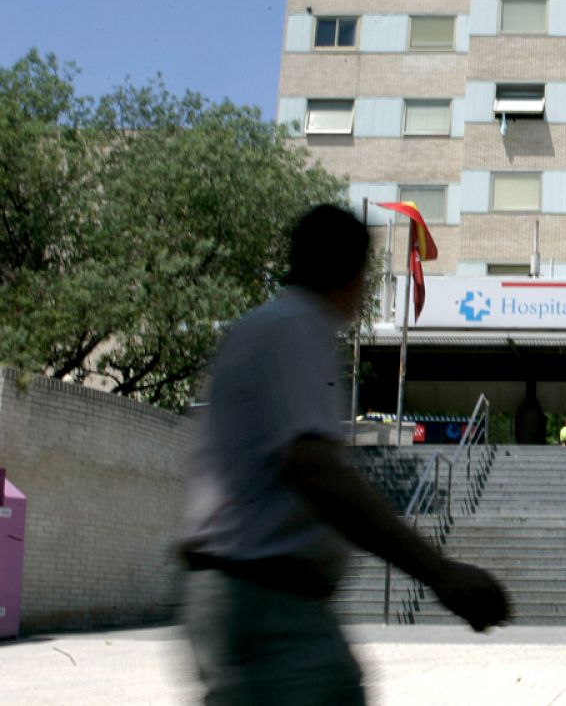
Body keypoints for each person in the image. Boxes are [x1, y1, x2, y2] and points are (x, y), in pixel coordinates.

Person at [180, 204, 509, 705]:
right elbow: (316, 470)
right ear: (356, 274)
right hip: (268, 603)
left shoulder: (263, 327)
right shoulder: (298, 328)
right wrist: (439, 573)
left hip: (242, 598)